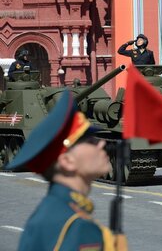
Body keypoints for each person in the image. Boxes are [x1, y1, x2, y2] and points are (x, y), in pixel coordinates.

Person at [5, 91, 125, 251]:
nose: (102, 144)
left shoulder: (50, 212)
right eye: (91, 141)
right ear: (67, 161)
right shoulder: (78, 227)